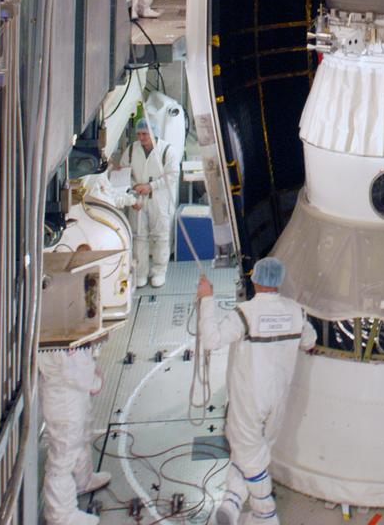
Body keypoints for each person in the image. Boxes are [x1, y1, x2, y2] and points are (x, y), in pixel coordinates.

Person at [196, 257, 317, 525]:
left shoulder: (245, 314)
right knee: (257, 450)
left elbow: (211, 339)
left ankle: (265, 513)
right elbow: (310, 340)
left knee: (248, 451)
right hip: (278, 399)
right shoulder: (296, 312)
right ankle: (233, 500)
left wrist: (206, 299)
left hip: (249, 398)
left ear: (255, 280)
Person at [38, 342, 111, 525]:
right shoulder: (55, 337)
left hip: (73, 393)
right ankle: (61, 516)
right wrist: (95, 381)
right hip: (63, 398)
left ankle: (83, 480)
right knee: (63, 454)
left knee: (83, 434)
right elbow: (72, 368)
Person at [120, 116, 180, 289]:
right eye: (139, 134)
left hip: (160, 200)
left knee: (161, 236)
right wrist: (135, 187)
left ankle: (159, 272)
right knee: (139, 236)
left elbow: (173, 174)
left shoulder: (167, 150)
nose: (142, 138)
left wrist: (151, 186)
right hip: (138, 199)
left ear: (154, 133)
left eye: (145, 134)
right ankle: (140, 273)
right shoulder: (132, 150)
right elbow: (124, 172)